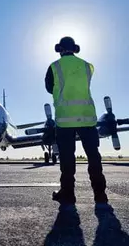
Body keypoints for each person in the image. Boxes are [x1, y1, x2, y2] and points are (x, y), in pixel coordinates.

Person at [45, 36, 108, 206]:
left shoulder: (54, 67)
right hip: (87, 118)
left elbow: (49, 88)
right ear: (74, 48)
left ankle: (68, 194)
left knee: (67, 159)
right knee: (94, 157)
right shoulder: (88, 66)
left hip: (65, 120)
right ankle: (100, 194)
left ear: (60, 49)